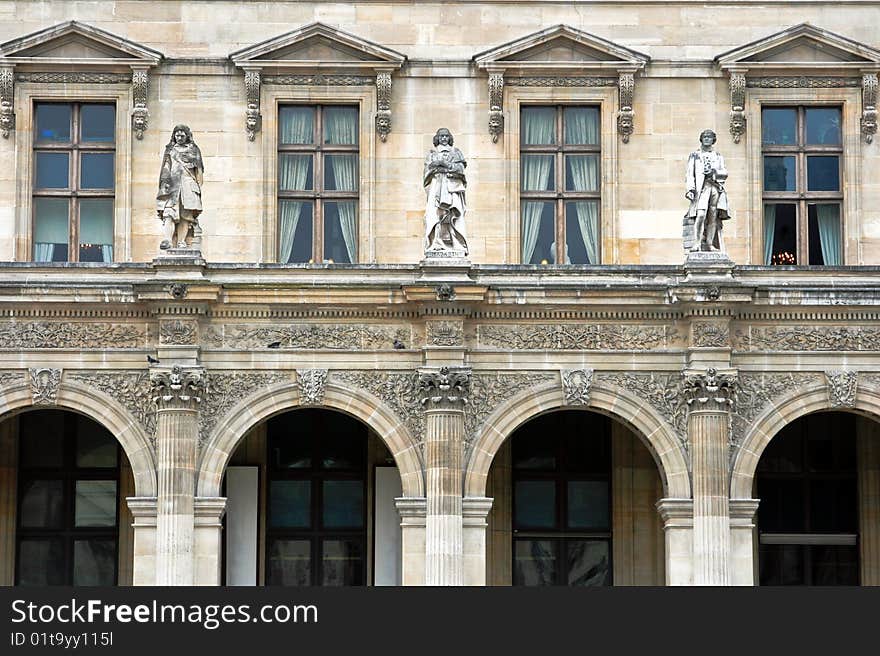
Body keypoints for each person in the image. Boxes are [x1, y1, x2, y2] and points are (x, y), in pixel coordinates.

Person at [684, 129, 731, 253]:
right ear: (701, 138)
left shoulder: (718, 156)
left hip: (714, 187)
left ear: (713, 140)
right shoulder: (695, 155)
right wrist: (690, 189)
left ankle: (710, 244)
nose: (707, 139)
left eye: (709, 137)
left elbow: (724, 172)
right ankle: (697, 243)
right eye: (704, 136)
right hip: (702, 188)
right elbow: (690, 174)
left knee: (713, 216)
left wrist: (714, 173)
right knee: (700, 214)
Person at [157, 124, 204, 249]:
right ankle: (167, 240)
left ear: (187, 136)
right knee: (168, 213)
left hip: (188, 184)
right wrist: (164, 182)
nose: (179, 137)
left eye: (182, 135)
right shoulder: (170, 149)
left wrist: (197, 187)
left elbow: (199, 171)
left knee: (185, 215)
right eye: (177, 135)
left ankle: (181, 241)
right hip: (172, 185)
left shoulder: (194, 150)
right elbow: (166, 167)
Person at [423, 128, 468, 254]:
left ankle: (456, 242)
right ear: (437, 138)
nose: (444, 138)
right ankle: (436, 242)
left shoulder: (456, 152)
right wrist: (436, 167)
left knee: (453, 214)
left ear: (450, 138)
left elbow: (460, 170)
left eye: (446, 136)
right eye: (441, 136)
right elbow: (427, 173)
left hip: (451, 187)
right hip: (437, 186)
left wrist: (445, 166)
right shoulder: (432, 154)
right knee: (435, 214)